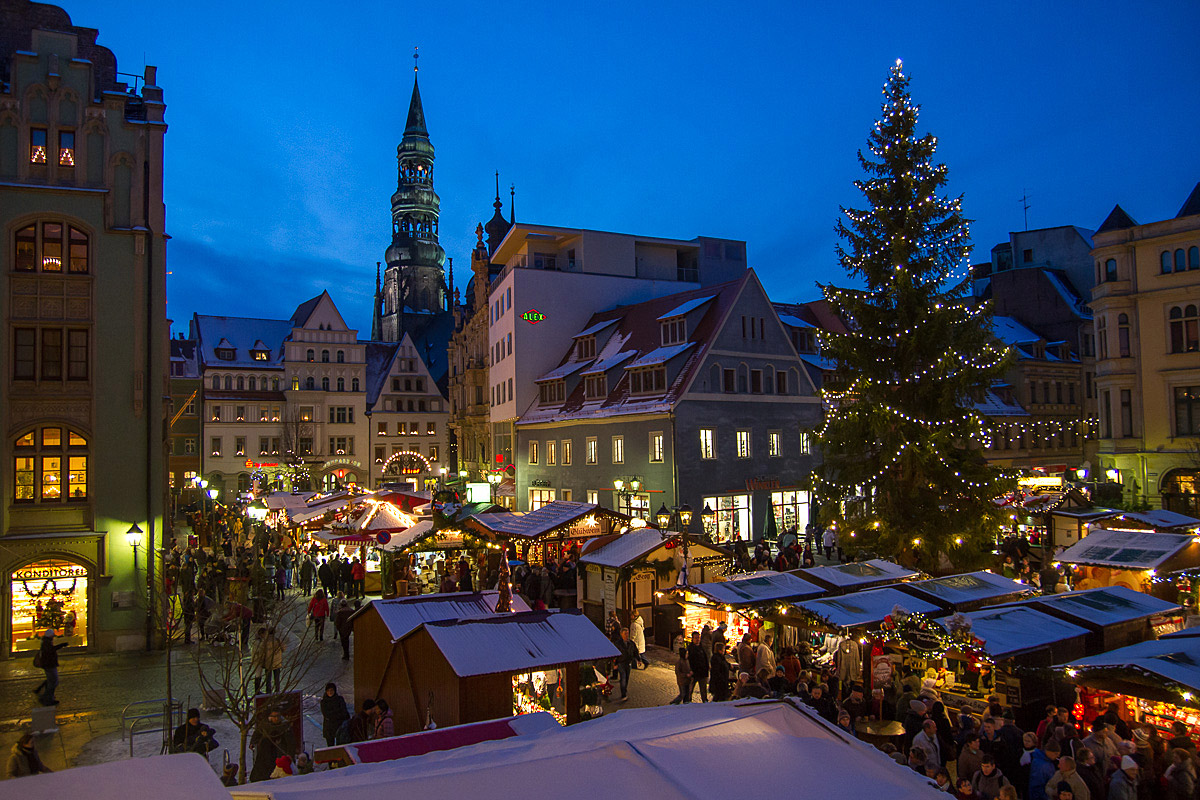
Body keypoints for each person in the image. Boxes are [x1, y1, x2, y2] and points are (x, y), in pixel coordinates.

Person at [249, 708, 296, 782]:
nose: (276, 718)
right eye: (274, 716)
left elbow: (291, 742)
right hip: (265, 753)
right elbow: (257, 733)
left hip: (279, 754)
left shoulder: (285, 726)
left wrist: (290, 754)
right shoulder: (265, 725)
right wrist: (253, 742)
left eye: (278, 716)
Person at [33, 628, 67, 706]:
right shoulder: (46, 643)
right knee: (53, 682)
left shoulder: (45, 642)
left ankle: (46, 697)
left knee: (51, 681)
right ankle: (47, 698)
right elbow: (51, 650)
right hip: (49, 665)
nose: (53, 636)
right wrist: (61, 645)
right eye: (52, 635)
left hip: (49, 665)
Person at [320, 682, 350, 747]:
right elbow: (326, 714)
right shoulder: (324, 702)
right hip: (329, 728)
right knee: (330, 746)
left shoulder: (339, 699)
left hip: (339, 726)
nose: (330, 692)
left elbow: (344, 712)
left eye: (331, 690)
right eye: (328, 691)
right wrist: (337, 713)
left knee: (340, 745)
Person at [614, 627, 638, 702]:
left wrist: (638, 659)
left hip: (628, 663)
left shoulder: (631, 643)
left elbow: (635, 651)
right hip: (621, 663)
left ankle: (624, 689)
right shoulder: (618, 644)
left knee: (627, 678)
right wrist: (615, 663)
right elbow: (615, 654)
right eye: (625, 633)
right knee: (623, 678)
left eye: (627, 633)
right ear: (621, 634)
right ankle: (623, 693)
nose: (627, 635)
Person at [686, 631, 709, 703]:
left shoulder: (702, 647)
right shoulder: (690, 649)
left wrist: (707, 669)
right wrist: (690, 670)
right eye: (696, 638)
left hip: (702, 673)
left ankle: (705, 701)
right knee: (690, 689)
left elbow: (705, 659)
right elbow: (688, 661)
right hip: (693, 673)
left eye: (698, 638)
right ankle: (688, 701)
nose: (697, 639)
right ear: (692, 639)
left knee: (703, 689)